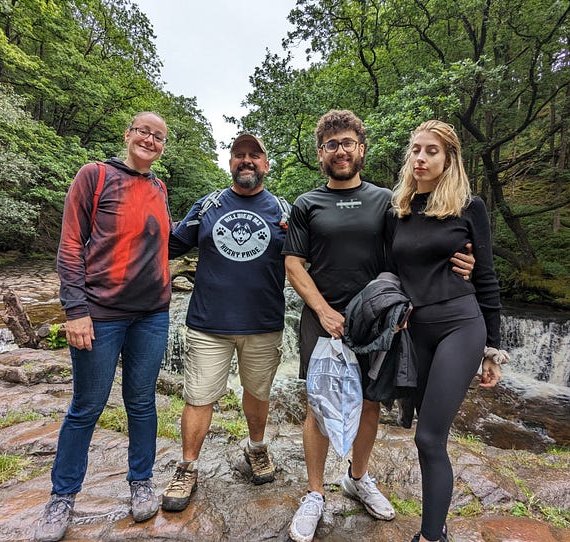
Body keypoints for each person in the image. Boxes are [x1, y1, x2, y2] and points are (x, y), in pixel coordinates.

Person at [283, 110, 474, 542]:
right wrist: (323, 311)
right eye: (332, 144)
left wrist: (465, 259)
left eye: (348, 142)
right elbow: (294, 264)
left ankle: (357, 476)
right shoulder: (306, 205)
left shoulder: (390, 200)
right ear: (321, 153)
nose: (341, 150)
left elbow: (420, 246)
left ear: (362, 148)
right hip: (321, 318)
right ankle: (315, 494)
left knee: (370, 402)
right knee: (318, 404)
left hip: (377, 319)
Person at [34, 111, 174, 542]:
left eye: (159, 137)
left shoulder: (159, 188)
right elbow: (71, 245)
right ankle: (63, 497)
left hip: (152, 314)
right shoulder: (93, 175)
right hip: (100, 313)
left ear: (162, 147)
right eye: (143, 132)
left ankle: (141, 481)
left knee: (141, 402)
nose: (150, 140)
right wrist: (75, 310)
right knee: (87, 406)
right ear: (127, 134)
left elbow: (165, 238)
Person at [388, 120, 507, 542]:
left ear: (448, 158)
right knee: (423, 434)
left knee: (429, 436)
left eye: (431, 151)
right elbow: (389, 268)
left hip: (460, 325)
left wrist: (492, 351)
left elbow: (488, 277)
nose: (421, 158)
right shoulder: (398, 208)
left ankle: (431, 536)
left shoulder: (469, 207)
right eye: (416, 150)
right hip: (415, 332)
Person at [160, 133, 289, 512]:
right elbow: (169, 244)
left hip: (264, 323)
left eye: (254, 156)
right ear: (230, 163)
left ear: (266, 164)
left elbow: (315, 254)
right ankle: (188, 467)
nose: (246, 161)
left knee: (258, 392)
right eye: (239, 155)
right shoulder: (209, 205)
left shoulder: (284, 210)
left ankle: (256, 448)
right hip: (207, 324)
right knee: (198, 397)